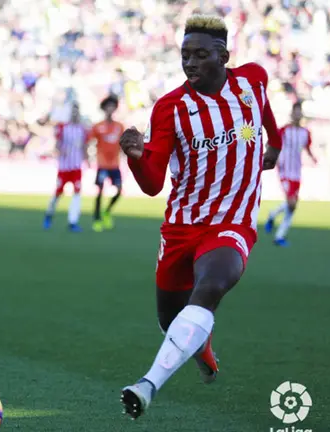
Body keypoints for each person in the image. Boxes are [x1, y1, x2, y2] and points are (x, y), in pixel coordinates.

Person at [117, 14, 281, 419]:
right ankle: (202, 349)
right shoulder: (171, 108)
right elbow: (154, 183)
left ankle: (147, 385)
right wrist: (137, 158)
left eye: (201, 55)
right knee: (170, 318)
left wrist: (273, 146)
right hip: (183, 225)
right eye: (184, 55)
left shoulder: (252, 81)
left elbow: (265, 115)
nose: (190, 63)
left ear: (223, 56)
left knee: (210, 286)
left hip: (232, 221)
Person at [264, 101, 317, 246]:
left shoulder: (305, 133)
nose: (298, 114)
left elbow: (307, 147)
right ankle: (279, 236)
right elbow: (271, 142)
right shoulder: (284, 130)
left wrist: (313, 158)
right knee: (292, 203)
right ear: (292, 113)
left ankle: (273, 216)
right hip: (285, 171)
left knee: (293, 205)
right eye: (296, 111)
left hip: (297, 172)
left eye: (300, 111)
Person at [43, 102, 88, 232]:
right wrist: (60, 151)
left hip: (76, 167)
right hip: (64, 167)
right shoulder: (62, 127)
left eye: (76, 111)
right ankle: (49, 214)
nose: (75, 114)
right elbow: (57, 144)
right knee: (58, 193)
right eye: (73, 111)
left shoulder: (82, 129)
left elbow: (84, 146)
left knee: (77, 193)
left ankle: (73, 221)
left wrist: (86, 160)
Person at [88, 94, 125, 232]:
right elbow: (90, 142)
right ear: (104, 109)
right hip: (102, 164)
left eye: (112, 106)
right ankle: (96, 219)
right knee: (99, 191)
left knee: (119, 190)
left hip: (115, 164)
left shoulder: (119, 126)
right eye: (108, 107)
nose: (110, 109)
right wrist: (89, 157)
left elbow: (122, 144)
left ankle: (107, 211)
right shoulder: (98, 126)